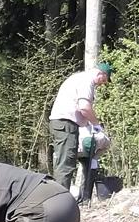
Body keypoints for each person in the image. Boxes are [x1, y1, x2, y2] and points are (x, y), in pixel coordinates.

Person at [47, 62, 113, 199]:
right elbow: (84, 107)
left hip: (65, 124)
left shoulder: (78, 78)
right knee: (66, 163)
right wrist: (96, 124)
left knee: (65, 162)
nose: (102, 84)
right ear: (100, 73)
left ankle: (59, 199)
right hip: (66, 124)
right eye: (103, 80)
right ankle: (60, 201)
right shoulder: (86, 81)